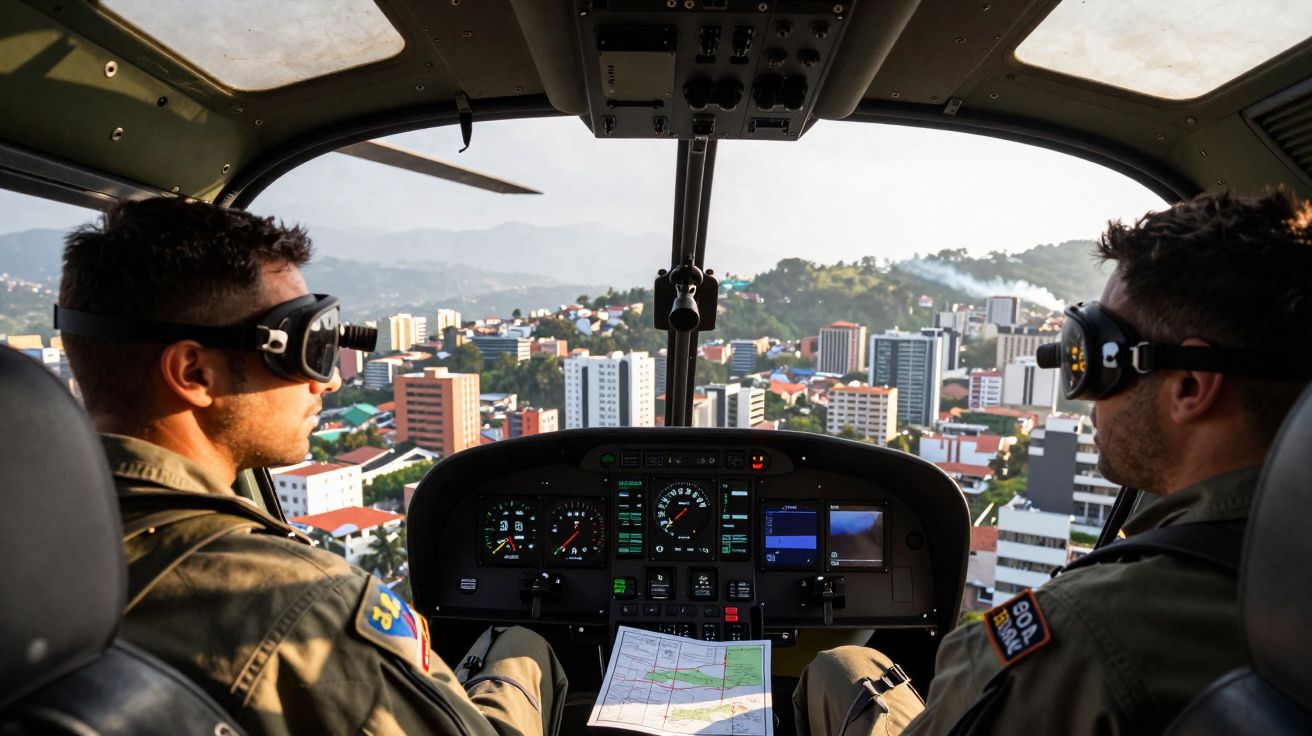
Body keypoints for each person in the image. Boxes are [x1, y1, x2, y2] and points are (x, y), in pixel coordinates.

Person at [793, 189, 1312, 735]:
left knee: (843, 665)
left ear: (1189, 386)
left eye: (1096, 356)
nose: (1082, 395)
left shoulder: (1086, 633)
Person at [57, 197, 567, 735]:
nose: (330, 382)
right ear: (194, 372)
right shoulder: (300, 608)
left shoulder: (30, 534)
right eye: (306, 346)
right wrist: (521, 655)